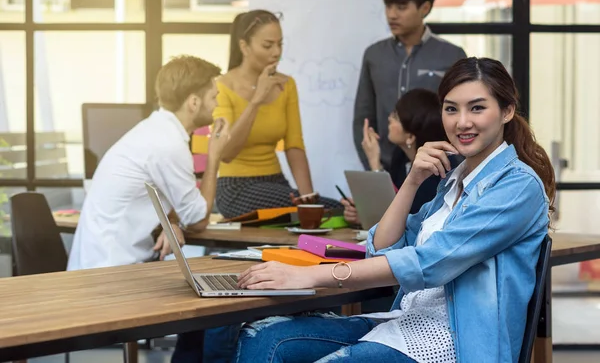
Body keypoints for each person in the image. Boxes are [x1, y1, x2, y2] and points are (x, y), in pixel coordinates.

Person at [232, 57, 556, 363]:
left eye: (477, 108)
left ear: (507, 111)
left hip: (452, 343)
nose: (462, 122)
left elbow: (429, 263)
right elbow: (384, 249)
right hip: (404, 322)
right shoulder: (455, 179)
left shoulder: (517, 187)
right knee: (262, 338)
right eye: (451, 109)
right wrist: (413, 180)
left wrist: (307, 275)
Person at [68, 55, 228, 271]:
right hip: (108, 273)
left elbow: (168, 196)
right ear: (194, 102)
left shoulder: (155, 131)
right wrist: (215, 155)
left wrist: (172, 222)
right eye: (213, 97)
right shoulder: (168, 144)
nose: (217, 105)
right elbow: (198, 220)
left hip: (103, 264)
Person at [214, 9, 342, 219]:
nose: (276, 52)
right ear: (244, 46)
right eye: (267, 45)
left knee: (332, 210)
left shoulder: (286, 84)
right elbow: (226, 152)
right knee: (332, 209)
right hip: (235, 188)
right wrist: (256, 101)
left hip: (275, 182)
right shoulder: (221, 86)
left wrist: (308, 199)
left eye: (280, 44)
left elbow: (294, 145)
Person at [353, 0, 467, 172]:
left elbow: (461, 115)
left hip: (439, 168)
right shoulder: (374, 55)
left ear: (425, 8)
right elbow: (363, 118)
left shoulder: (452, 55)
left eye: (401, 7)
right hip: (386, 167)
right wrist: (374, 168)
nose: (391, 14)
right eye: (388, 6)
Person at [343, 88, 452, 227]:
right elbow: (388, 206)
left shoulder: (435, 171)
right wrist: (362, 213)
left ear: (410, 137)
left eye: (395, 117)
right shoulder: (400, 157)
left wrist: (374, 162)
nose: (389, 118)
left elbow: (406, 221)